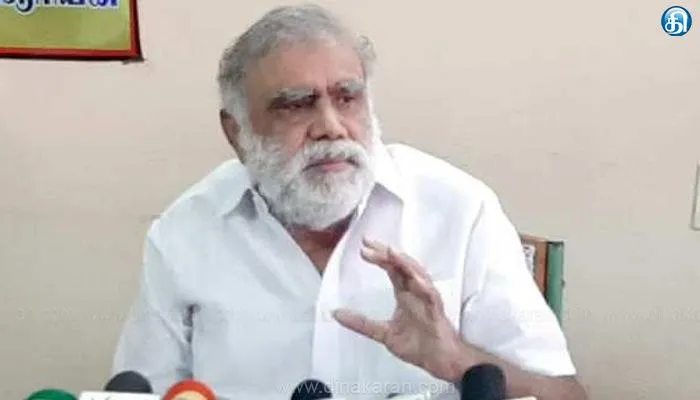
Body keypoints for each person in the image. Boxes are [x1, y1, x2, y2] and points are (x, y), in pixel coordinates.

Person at [112, 4, 587, 400]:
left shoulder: (461, 211)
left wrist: (457, 360)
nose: (331, 127)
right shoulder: (185, 232)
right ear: (236, 132)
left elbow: (566, 395)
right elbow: (138, 391)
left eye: (347, 98)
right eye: (296, 104)